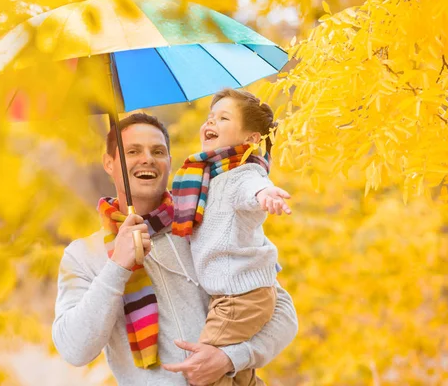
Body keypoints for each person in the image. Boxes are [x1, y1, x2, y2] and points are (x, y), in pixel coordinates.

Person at [52, 112, 298, 386]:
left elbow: (283, 312)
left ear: (169, 162)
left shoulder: (209, 221)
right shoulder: (83, 255)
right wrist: (117, 267)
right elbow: (73, 349)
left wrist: (230, 358)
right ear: (109, 163)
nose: (147, 159)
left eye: (157, 151)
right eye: (133, 151)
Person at [171, 88, 291, 385]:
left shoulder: (242, 173)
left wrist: (267, 195)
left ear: (250, 140)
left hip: (239, 297)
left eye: (223, 118)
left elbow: (252, 188)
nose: (210, 124)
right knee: (235, 374)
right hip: (238, 295)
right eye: (210, 117)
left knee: (202, 371)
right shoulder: (211, 177)